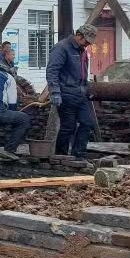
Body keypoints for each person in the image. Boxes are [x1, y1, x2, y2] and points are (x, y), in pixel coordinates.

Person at [46, 24, 98, 158]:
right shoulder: (62, 48)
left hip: (80, 94)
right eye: (86, 41)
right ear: (79, 35)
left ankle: (78, 155)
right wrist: (55, 92)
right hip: (66, 93)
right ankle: (61, 156)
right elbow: (52, 70)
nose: (87, 44)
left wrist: (85, 88)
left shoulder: (82, 50)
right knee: (68, 126)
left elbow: (83, 72)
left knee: (87, 123)